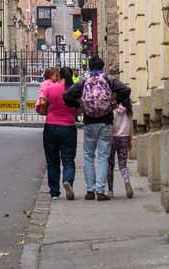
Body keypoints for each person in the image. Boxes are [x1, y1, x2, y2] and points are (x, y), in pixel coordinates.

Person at [63, 55, 130, 200]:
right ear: (102, 66)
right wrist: (115, 102)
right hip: (105, 121)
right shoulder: (108, 79)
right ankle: (100, 190)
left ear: (89, 67)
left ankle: (89, 190)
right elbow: (126, 90)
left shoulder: (83, 80)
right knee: (103, 157)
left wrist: (78, 105)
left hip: (89, 122)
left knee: (88, 156)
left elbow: (67, 95)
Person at [41, 66, 78, 200]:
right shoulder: (73, 90)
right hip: (68, 127)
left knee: (52, 161)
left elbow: (41, 108)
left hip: (51, 126)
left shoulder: (50, 88)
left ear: (59, 75)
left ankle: (54, 193)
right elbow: (79, 110)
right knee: (68, 159)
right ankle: (67, 180)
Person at [106, 89, 134, 199]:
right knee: (123, 165)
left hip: (112, 139)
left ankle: (110, 190)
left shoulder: (113, 111)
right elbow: (131, 126)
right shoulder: (128, 111)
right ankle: (127, 181)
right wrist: (130, 140)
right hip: (125, 138)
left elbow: (110, 126)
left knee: (110, 165)